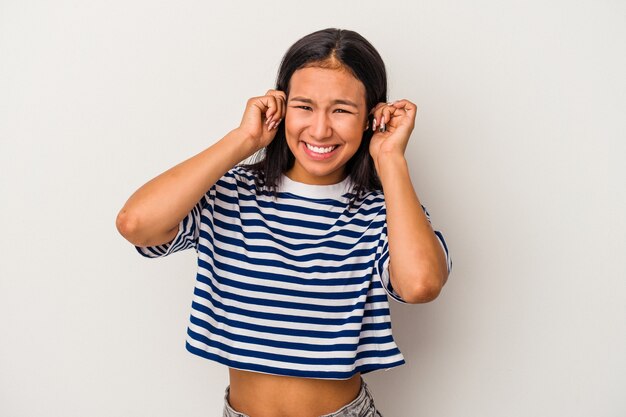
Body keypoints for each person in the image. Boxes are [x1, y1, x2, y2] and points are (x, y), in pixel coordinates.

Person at [116, 27, 452, 417]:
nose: (320, 129)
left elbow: (420, 285)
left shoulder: (386, 210)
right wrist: (244, 139)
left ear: (370, 118)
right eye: (304, 106)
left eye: (341, 109)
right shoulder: (230, 193)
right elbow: (135, 223)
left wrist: (390, 159)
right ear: (280, 105)